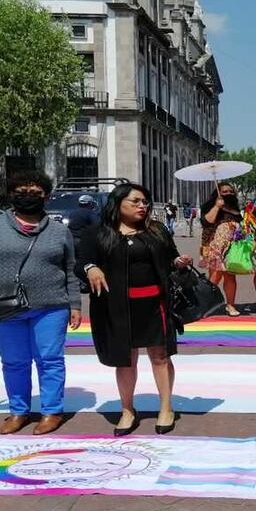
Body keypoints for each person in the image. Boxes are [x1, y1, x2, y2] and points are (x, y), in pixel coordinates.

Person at [0, 170, 81, 436]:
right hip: (6, 306)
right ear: (11, 195)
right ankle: (18, 411)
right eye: (21, 191)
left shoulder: (59, 231)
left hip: (51, 306)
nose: (28, 197)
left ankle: (51, 411)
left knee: (50, 360)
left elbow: (69, 270)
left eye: (35, 192)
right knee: (14, 361)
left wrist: (75, 304)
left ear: (46, 196)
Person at [77, 184, 192, 436]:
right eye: (136, 201)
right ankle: (128, 410)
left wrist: (178, 261)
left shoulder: (156, 230)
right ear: (118, 203)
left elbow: (170, 257)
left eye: (145, 202)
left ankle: (166, 408)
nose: (143, 206)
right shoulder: (98, 232)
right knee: (125, 360)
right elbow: (81, 261)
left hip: (154, 305)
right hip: (116, 307)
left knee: (160, 356)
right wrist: (90, 268)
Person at [200, 183, 242, 316]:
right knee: (215, 275)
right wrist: (217, 206)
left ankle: (230, 305)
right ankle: (206, 305)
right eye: (224, 191)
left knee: (230, 276)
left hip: (232, 246)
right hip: (214, 245)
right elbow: (207, 221)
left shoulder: (235, 208)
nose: (228, 193)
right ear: (218, 193)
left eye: (231, 191)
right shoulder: (209, 206)